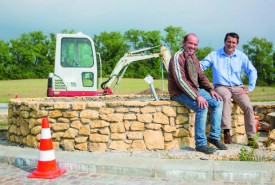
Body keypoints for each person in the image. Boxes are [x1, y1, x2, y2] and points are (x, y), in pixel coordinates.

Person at [168, 33, 227, 154]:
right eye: (190, 43)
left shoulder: (193, 57)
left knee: (218, 101)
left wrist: (210, 89)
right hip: (179, 92)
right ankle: (200, 144)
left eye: (195, 44)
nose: (193, 46)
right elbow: (180, 81)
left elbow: (201, 75)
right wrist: (197, 96)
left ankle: (214, 137)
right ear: (183, 43)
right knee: (202, 106)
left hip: (194, 90)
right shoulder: (177, 57)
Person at [200, 32, 258, 148]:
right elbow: (201, 66)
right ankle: (226, 132)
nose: (231, 44)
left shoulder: (241, 56)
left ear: (237, 44)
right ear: (225, 41)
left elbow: (252, 71)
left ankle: (251, 138)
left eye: (234, 42)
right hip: (221, 87)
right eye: (229, 41)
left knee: (248, 107)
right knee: (225, 97)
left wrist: (250, 88)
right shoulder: (214, 55)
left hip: (238, 88)